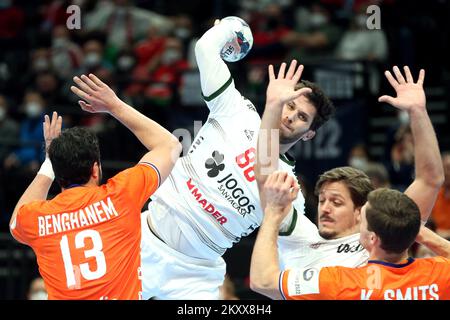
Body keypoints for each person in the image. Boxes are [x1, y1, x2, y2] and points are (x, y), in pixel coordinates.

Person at [137, 17, 334, 299]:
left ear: (309, 134)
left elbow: (309, 248)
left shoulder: (287, 189)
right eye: (289, 105)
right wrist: (230, 29)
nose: (290, 116)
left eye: (302, 117)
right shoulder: (235, 110)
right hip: (146, 238)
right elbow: (205, 48)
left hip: (195, 274)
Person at [250, 67, 448, 299]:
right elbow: (265, 178)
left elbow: (430, 180)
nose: (325, 208)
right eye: (323, 199)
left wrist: (417, 112)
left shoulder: (378, 235)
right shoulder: (302, 236)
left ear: (360, 212)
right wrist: (418, 112)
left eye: (336, 201)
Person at [9, 74, 181, 300]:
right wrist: (115, 106)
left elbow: (15, 222)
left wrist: (49, 163)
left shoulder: (38, 218)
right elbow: (169, 145)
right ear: (95, 169)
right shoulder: (121, 195)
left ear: (59, 174)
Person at [251, 173, 449, 300]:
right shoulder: (437, 274)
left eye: (361, 219)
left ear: (373, 239)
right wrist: (421, 233)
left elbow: (263, 282)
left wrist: (273, 212)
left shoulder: (340, 283)